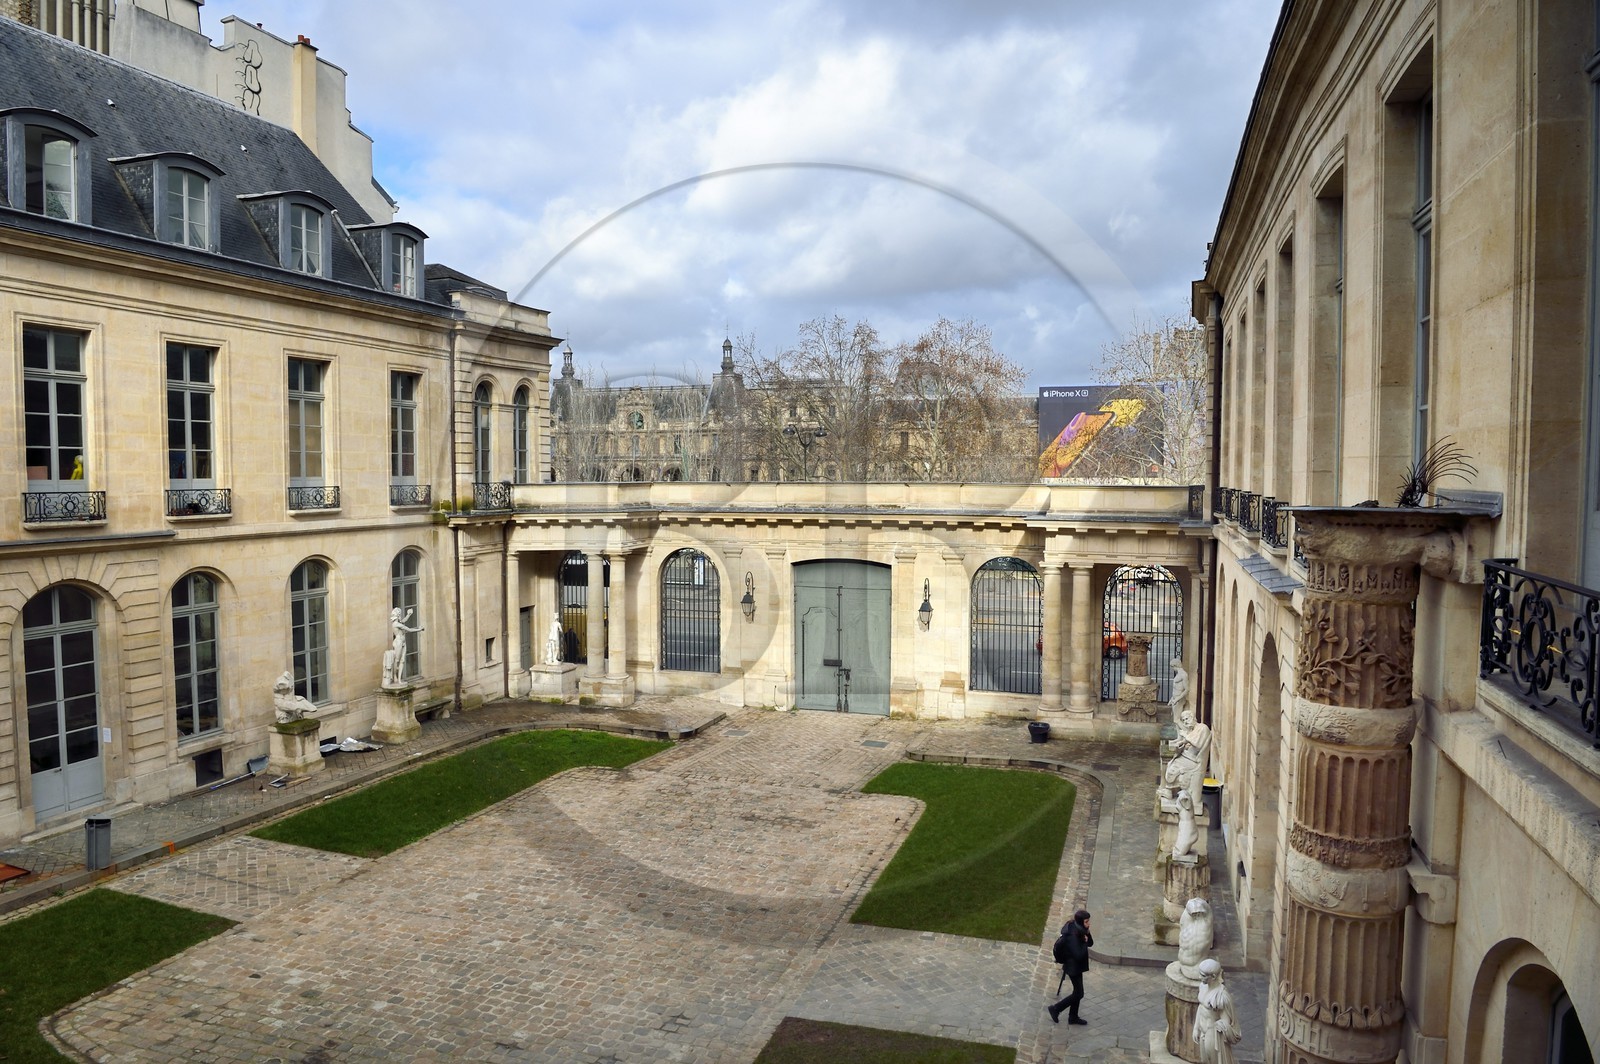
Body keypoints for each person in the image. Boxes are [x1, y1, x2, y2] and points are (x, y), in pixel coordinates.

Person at [1047, 909, 1093, 1025]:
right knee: (1079, 993)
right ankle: (1056, 1009)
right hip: (1073, 968)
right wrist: (1084, 942)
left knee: (1077, 991)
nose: (1088, 924)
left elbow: (1091, 943)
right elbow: (1078, 955)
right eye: (1086, 922)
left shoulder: (1080, 929)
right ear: (1080, 922)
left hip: (1077, 966)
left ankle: (1073, 1017)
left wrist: (1087, 934)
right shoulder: (1072, 935)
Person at [1192, 958, 1242, 1063]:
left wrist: (1220, 1025)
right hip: (1203, 1031)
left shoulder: (1221, 996)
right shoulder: (1203, 987)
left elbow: (1226, 1022)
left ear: (1213, 977)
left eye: (1203, 975)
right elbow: (1201, 1008)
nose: (1199, 977)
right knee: (1204, 1061)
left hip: (1212, 1034)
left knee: (1213, 1061)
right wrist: (1196, 1028)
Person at [1163, 709, 1211, 804]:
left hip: (1193, 760)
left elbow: (1198, 744)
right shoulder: (1193, 729)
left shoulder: (1203, 728)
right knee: (1170, 764)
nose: (1185, 722)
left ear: (1193, 718)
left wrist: (1185, 736)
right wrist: (1181, 743)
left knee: (1173, 768)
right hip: (1187, 755)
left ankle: (1170, 791)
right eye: (1184, 720)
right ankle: (1169, 790)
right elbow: (1188, 740)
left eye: (1187, 719)